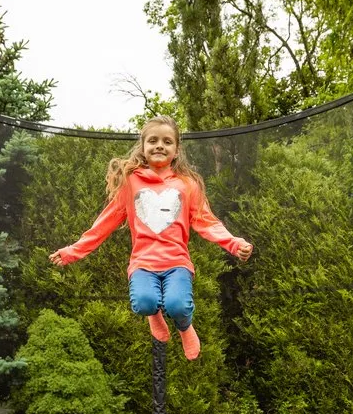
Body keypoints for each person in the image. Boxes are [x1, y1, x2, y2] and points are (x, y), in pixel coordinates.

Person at [49, 115, 253, 360]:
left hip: (177, 262)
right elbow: (105, 222)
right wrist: (73, 251)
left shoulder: (187, 184)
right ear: (143, 147)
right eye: (153, 140)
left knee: (178, 305)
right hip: (143, 263)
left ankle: (185, 328)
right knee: (144, 303)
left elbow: (206, 220)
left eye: (167, 141)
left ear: (176, 150)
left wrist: (234, 243)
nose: (159, 146)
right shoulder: (131, 182)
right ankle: (154, 317)